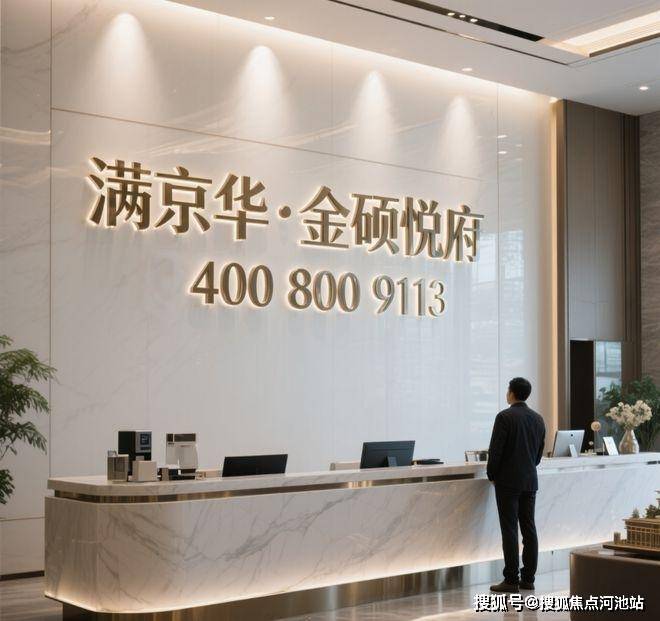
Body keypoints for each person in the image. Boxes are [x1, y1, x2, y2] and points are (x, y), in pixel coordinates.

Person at [487, 377, 546, 593]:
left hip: (507, 482)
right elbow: (538, 455)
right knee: (529, 529)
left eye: (507, 390)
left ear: (511, 393)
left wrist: (491, 474)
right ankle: (528, 578)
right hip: (529, 481)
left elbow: (496, 450)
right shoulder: (538, 419)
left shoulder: (504, 417)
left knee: (510, 530)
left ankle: (511, 579)